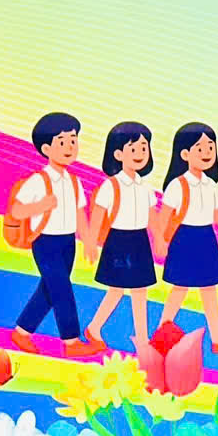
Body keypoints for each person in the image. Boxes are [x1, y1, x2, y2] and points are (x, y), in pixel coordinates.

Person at [9, 113, 106, 358]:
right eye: (62, 142)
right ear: (46, 149)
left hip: (67, 242)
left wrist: (88, 240)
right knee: (62, 290)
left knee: (49, 289)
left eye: (73, 140)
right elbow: (17, 210)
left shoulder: (73, 181)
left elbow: (79, 212)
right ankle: (71, 342)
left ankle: (21, 332)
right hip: (45, 242)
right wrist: (40, 205)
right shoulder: (38, 181)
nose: (69, 147)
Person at [158, 122, 218, 353]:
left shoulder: (211, 185)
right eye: (200, 148)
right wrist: (161, 240)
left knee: (209, 289)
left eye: (211, 147)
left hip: (206, 238)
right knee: (179, 288)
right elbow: (165, 216)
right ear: (184, 154)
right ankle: (162, 334)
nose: (207, 152)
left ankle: (217, 338)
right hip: (184, 238)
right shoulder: (177, 185)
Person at [83, 121, 161, 352]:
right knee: (116, 289)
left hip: (139, 241)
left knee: (140, 290)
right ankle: (94, 328)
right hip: (118, 241)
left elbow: (152, 215)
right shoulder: (111, 186)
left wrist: (159, 238)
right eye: (133, 148)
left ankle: (142, 339)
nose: (140, 153)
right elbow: (98, 215)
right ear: (118, 154)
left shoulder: (145, 187)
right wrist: (90, 242)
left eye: (144, 148)